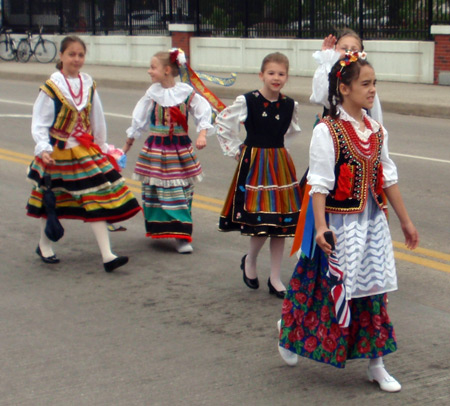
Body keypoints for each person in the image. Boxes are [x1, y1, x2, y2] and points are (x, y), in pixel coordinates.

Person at [277, 51, 419, 392]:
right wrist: (322, 227)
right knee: (318, 288)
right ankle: (289, 333)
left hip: (370, 223)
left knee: (373, 292)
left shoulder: (376, 130)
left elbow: (387, 178)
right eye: (365, 84)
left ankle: (376, 363)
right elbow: (319, 185)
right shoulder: (329, 131)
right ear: (343, 88)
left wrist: (405, 222)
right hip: (338, 227)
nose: (372, 90)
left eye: (374, 84)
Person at [27, 36, 141, 272]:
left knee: (95, 197)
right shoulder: (52, 87)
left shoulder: (88, 84)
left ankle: (108, 255)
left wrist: (101, 146)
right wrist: (44, 148)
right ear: (61, 56)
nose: (76, 59)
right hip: (58, 152)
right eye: (71, 54)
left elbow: (96, 119)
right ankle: (44, 244)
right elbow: (40, 123)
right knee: (52, 199)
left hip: (84, 150)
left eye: (80, 55)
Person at [216, 52, 302, 298]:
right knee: (260, 221)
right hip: (255, 164)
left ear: (287, 77)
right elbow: (223, 123)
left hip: (279, 163)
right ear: (261, 75)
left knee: (281, 223)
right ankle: (250, 260)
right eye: (271, 73)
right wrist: (236, 151)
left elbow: (291, 132)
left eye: (281, 74)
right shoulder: (248, 101)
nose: (276, 78)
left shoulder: (289, 105)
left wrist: (277, 151)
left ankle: (275, 277)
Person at [123, 49, 214, 254]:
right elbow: (138, 120)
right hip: (156, 148)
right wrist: (127, 146)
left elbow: (203, 111)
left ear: (166, 70)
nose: (149, 71)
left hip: (179, 148)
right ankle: (161, 229)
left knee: (180, 190)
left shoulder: (185, 93)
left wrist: (202, 134)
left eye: (152, 67)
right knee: (156, 190)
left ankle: (182, 235)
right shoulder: (152, 94)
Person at [310, 28, 383, 124]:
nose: (349, 52)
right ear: (335, 50)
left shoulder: (365, 73)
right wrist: (327, 59)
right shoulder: (330, 72)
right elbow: (320, 97)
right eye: (344, 48)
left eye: (354, 49)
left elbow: (375, 111)